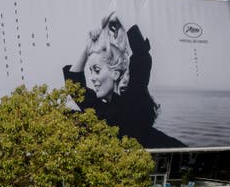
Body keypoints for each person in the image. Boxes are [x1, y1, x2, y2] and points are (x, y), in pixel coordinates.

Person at [63, 11, 183, 149]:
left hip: (168, 155)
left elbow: (141, 59)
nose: (92, 78)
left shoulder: (133, 100)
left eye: (97, 70)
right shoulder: (99, 107)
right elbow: (74, 86)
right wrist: (88, 47)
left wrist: (121, 22)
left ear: (114, 73)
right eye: (90, 71)